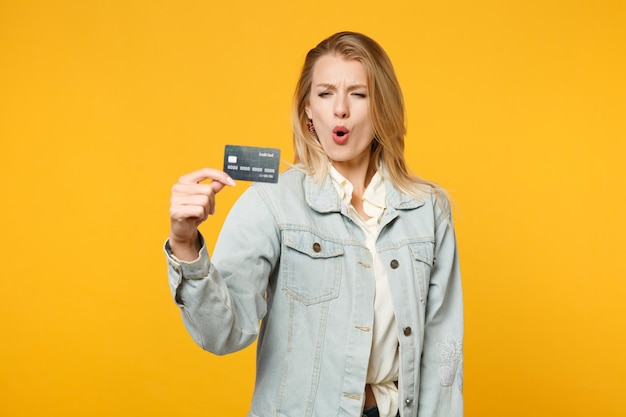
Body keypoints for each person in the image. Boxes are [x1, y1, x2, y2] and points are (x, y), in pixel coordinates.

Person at [165, 31, 463, 417]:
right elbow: (223, 333)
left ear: (382, 106)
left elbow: (443, 350)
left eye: (358, 93)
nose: (340, 109)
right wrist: (185, 244)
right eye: (325, 94)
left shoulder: (428, 210)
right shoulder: (272, 204)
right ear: (308, 110)